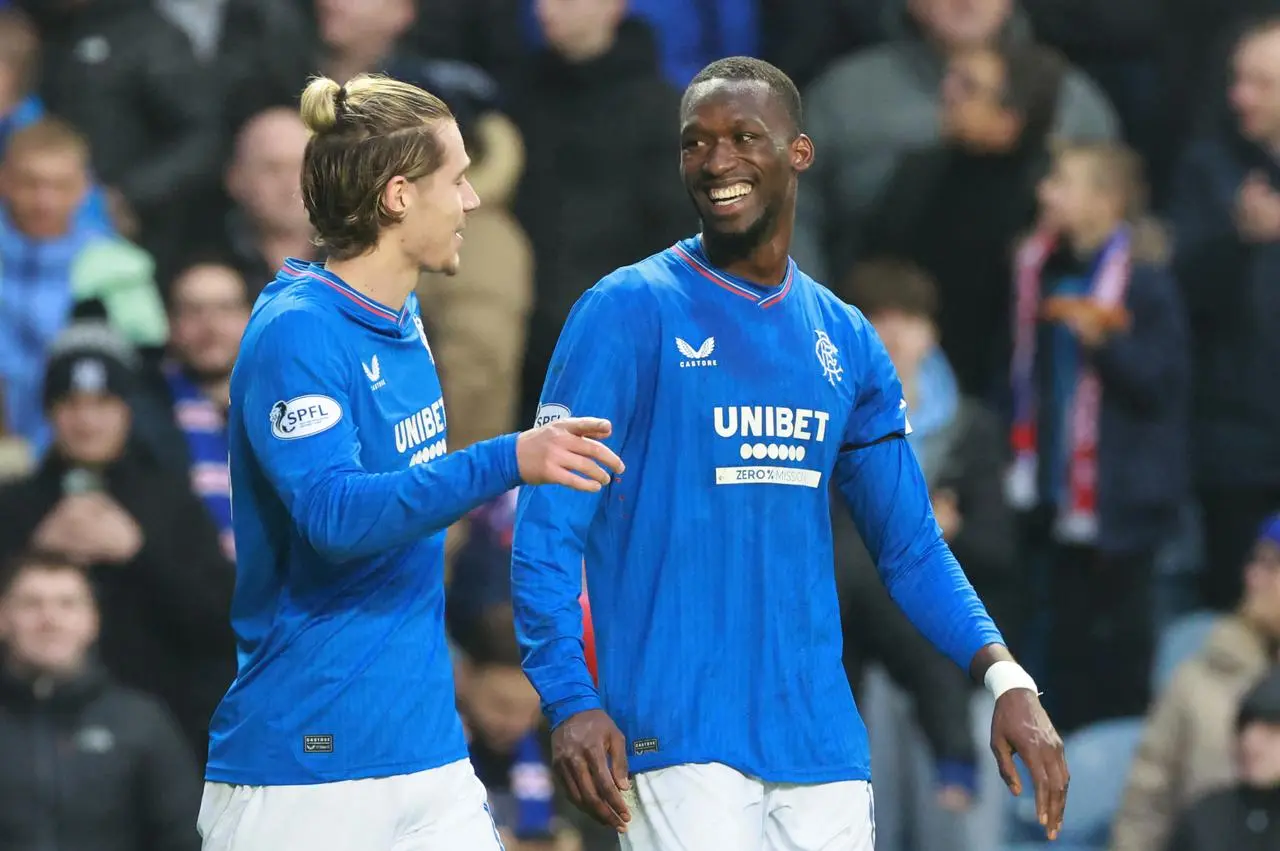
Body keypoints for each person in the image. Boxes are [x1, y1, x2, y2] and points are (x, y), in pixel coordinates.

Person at [510, 56, 1069, 851]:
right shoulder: (625, 312)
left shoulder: (845, 339)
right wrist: (569, 696)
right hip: (678, 735)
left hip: (821, 744)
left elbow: (908, 544)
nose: (717, 162)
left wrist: (1005, 675)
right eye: (695, 144)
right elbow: (548, 528)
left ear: (799, 153)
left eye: (744, 136)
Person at [198, 73, 625, 851]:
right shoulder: (297, 334)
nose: (470, 201)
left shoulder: (404, 319)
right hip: (308, 763)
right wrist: (508, 457)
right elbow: (335, 515)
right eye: (456, 179)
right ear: (398, 197)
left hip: (426, 753)